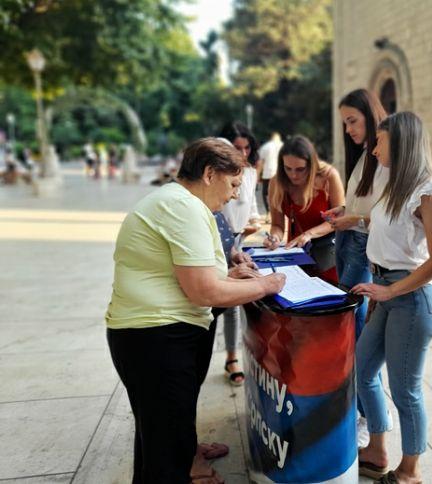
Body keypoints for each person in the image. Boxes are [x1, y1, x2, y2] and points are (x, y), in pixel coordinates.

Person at [105, 137, 286, 484]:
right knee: (165, 459)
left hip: (152, 335)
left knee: (160, 437)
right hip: (155, 337)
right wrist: (266, 285)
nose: (235, 194)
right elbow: (204, 290)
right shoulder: (183, 207)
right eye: (233, 184)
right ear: (208, 173)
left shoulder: (178, 202)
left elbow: (191, 275)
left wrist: (229, 277)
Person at [351, 111, 432, 484]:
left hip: (412, 298)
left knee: (405, 389)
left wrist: (390, 289)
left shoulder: (427, 191)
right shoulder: (391, 183)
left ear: (402, 142)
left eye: (380, 141)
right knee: (362, 369)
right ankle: (377, 451)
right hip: (387, 292)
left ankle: (411, 470)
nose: (374, 149)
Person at [322, 88, 388, 446]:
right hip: (349, 241)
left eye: (352, 121)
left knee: (355, 332)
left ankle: (367, 416)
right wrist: (344, 213)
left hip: (363, 247)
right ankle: (358, 407)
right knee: (350, 329)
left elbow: (388, 215)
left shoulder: (386, 157)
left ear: (370, 116)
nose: (347, 129)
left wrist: (354, 220)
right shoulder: (364, 155)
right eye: (344, 122)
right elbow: (364, 206)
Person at [217, 123, 262, 385]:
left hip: (238, 240)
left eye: (247, 148)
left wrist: (255, 224)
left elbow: (252, 206)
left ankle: (234, 356)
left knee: (236, 303)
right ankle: (231, 357)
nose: (243, 153)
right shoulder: (218, 174)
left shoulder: (251, 173)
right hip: (215, 239)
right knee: (219, 300)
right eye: (237, 148)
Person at [265, 135, 345, 283]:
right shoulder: (277, 182)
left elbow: (339, 219)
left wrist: (309, 234)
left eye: (300, 169)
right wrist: (274, 238)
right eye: (288, 168)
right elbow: (277, 225)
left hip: (328, 253)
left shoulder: (328, 176)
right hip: (296, 253)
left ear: (312, 165)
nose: (293, 175)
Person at [258, 132, 283, 216]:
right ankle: (279, 214)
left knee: (266, 194)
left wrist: (257, 175)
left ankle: (269, 213)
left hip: (268, 174)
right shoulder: (283, 146)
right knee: (280, 194)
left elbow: (261, 162)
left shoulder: (266, 147)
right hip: (280, 174)